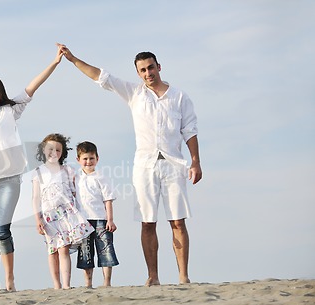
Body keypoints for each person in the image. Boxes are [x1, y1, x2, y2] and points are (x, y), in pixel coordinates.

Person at [59, 43, 202, 286]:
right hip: (144, 166)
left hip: (173, 164)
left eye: (151, 68)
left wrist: (196, 162)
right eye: (143, 70)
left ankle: (183, 276)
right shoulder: (134, 93)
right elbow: (101, 77)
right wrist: (73, 59)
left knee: (178, 221)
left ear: (159, 67)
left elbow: (189, 131)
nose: (148, 73)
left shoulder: (179, 97)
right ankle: (153, 276)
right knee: (148, 222)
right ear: (138, 73)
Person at [0, 46, 64, 292]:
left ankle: (10, 280)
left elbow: (33, 86)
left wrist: (54, 62)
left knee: (1, 230)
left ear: (0, 95)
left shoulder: (10, 111)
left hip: (9, 179)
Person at [32, 133, 94, 289]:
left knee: (64, 249)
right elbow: (35, 198)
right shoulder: (38, 172)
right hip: (48, 217)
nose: (54, 153)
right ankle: (56, 284)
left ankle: (66, 284)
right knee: (52, 251)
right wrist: (37, 219)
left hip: (67, 214)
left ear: (63, 152)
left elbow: (76, 192)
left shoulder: (67, 170)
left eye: (58, 150)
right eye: (50, 149)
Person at [75, 141, 119, 288]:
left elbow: (108, 199)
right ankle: (88, 283)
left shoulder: (101, 177)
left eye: (91, 158)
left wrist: (110, 220)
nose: (88, 162)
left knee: (105, 249)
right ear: (78, 160)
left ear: (97, 159)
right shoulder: (76, 178)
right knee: (86, 252)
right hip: (83, 221)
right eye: (85, 159)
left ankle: (107, 282)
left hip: (101, 219)